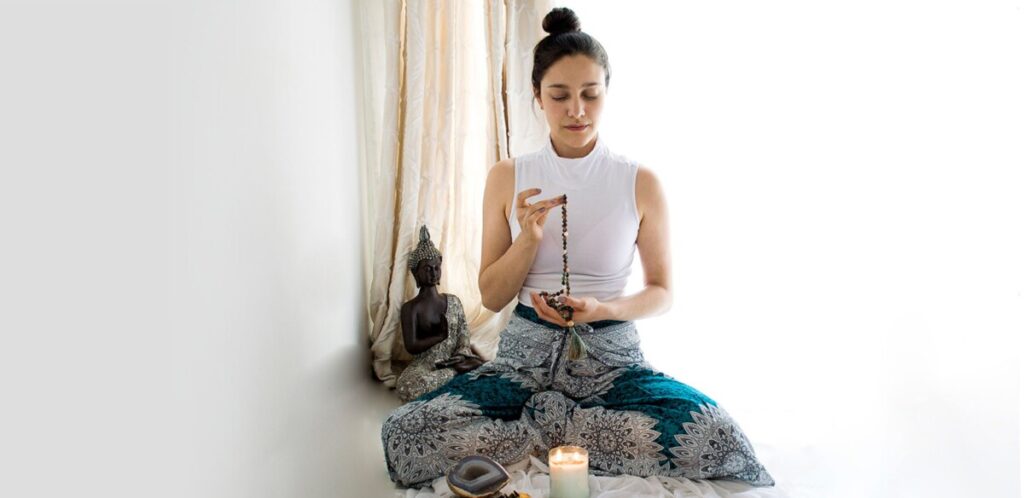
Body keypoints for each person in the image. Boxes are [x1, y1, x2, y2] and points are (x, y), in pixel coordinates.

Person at [381, 7, 775, 488]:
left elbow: (661, 292)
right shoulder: (507, 177)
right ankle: (562, 432)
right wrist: (528, 240)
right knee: (405, 434)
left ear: (607, 91)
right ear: (537, 97)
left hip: (612, 362)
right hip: (522, 365)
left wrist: (602, 309)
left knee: (717, 437)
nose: (577, 110)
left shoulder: (640, 182)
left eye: (590, 94)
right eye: (559, 95)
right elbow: (492, 297)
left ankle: (545, 429)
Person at [395, 225, 485, 402]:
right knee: (406, 386)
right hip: (425, 365)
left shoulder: (453, 301)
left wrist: (461, 356)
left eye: (437, 267)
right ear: (415, 272)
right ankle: (456, 375)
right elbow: (411, 346)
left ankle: (457, 373)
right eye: (427, 269)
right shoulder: (410, 308)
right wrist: (439, 337)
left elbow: (464, 337)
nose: (434, 273)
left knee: (485, 369)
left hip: (454, 359)